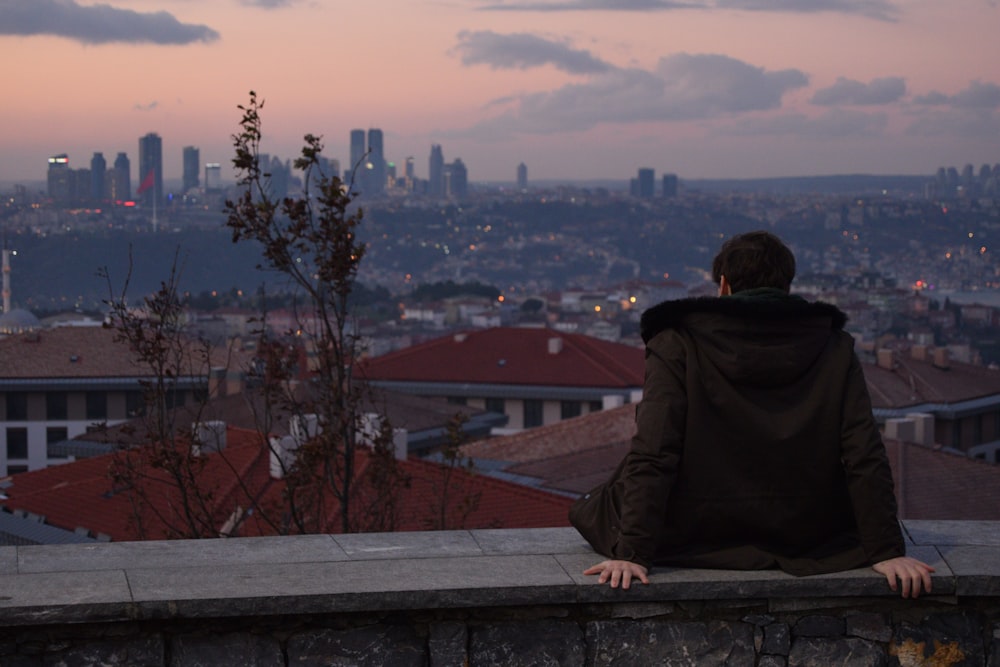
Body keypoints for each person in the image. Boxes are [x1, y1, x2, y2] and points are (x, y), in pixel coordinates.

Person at [570, 231, 934, 597]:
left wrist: (632, 552)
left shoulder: (679, 342)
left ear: (724, 285)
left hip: (696, 529)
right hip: (804, 530)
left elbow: (655, 450)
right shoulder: (833, 346)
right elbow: (863, 452)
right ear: (786, 286)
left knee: (598, 504)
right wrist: (886, 550)